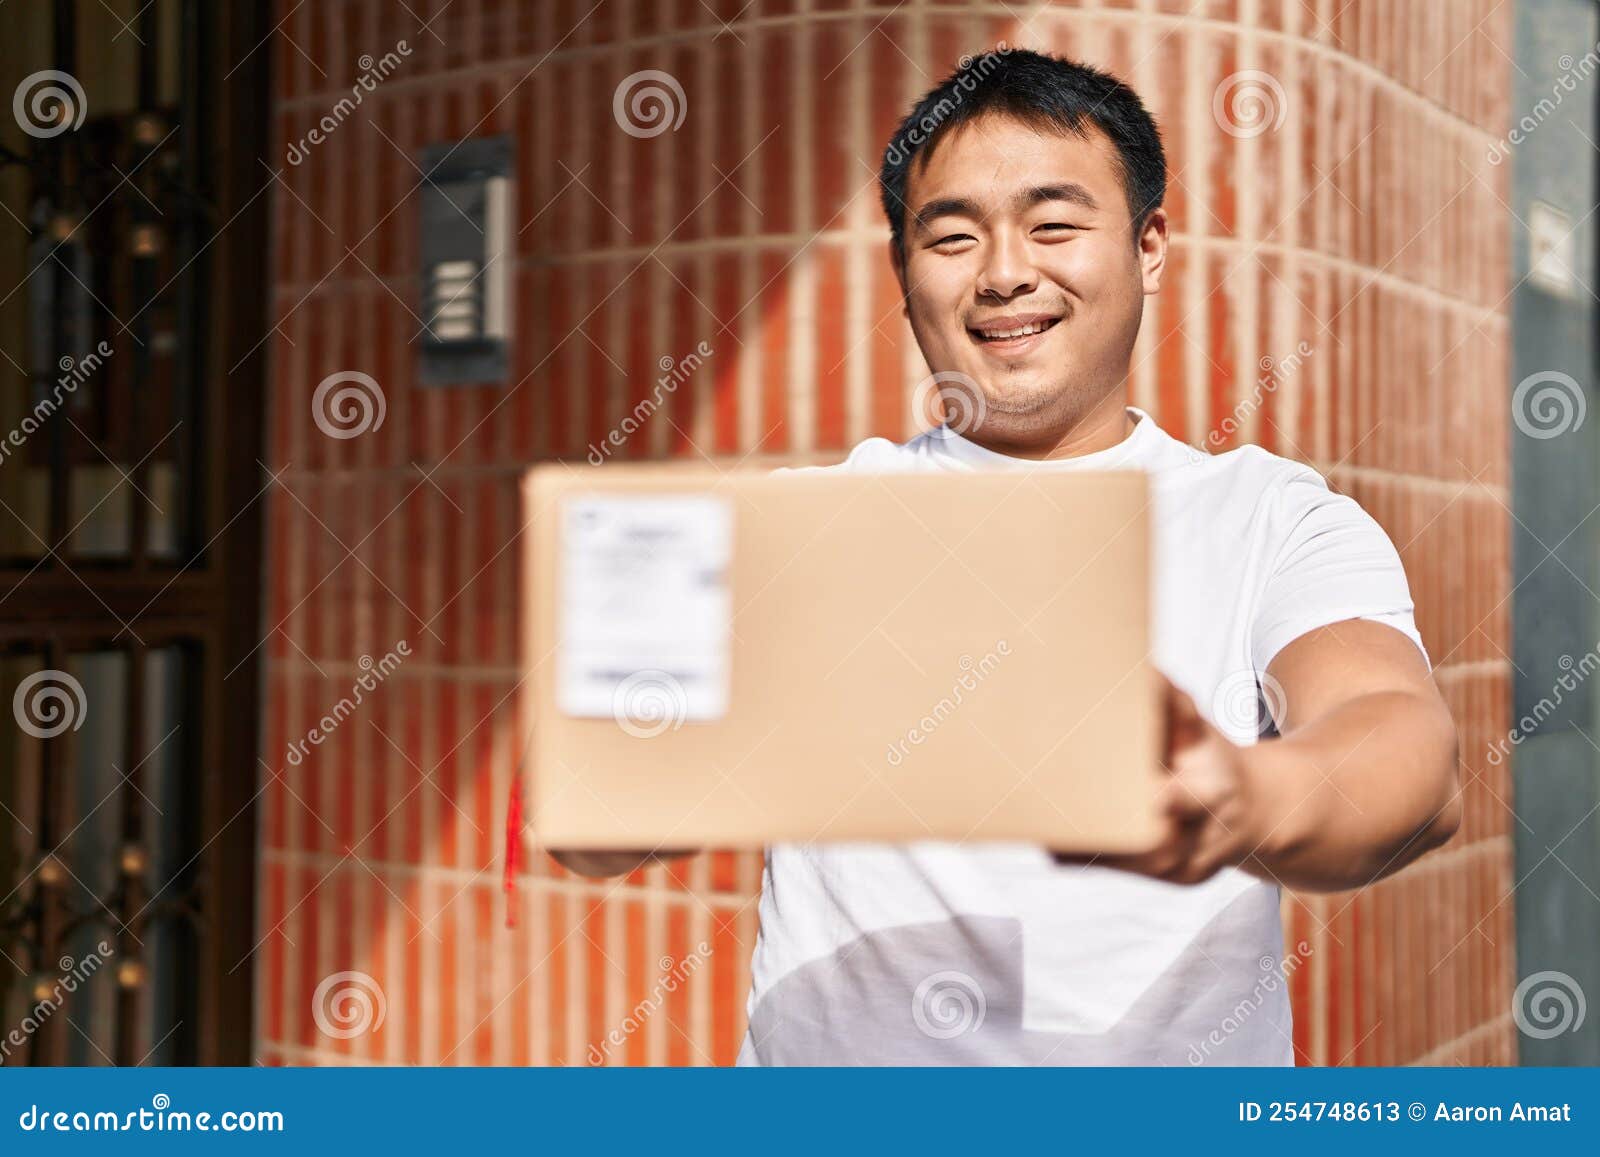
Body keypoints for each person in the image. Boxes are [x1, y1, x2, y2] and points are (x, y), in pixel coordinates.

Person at [551, 48, 1460, 1065]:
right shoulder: (798, 527)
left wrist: (1249, 795)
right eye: (950, 235)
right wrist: (644, 776)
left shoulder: (1267, 518)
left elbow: (1402, 750)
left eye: (1054, 224)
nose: (1002, 272)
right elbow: (588, 816)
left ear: (1148, 245)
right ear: (901, 272)